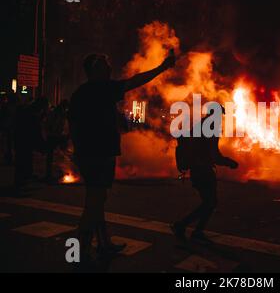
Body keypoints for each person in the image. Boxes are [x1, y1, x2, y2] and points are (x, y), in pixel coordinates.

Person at [68, 51, 175, 263]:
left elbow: (72, 124)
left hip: (88, 154)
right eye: (105, 65)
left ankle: (104, 243)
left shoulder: (81, 92)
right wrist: (162, 68)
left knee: (97, 201)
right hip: (100, 154)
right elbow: (135, 81)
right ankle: (78, 252)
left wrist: (77, 151)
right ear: (96, 69)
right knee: (94, 203)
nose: (110, 68)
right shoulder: (101, 89)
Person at [171, 106, 238, 245]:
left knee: (210, 202)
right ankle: (183, 226)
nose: (222, 119)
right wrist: (229, 162)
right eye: (221, 115)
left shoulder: (200, 125)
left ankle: (194, 229)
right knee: (210, 202)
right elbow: (214, 155)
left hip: (198, 170)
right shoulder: (211, 128)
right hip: (203, 170)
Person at [14, 97, 48, 195]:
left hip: (21, 141)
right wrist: (42, 146)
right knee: (23, 163)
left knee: (24, 162)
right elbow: (34, 132)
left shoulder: (28, 111)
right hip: (24, 142)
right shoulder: (31, 115)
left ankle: (22, 182)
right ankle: (19, 186)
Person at [44, 100, 69, 183]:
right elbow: (57, 125)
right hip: (55, 136)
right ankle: (52, 174)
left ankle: (51, 173)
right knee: (57, 154)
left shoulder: (54, 112)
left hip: (52, 136)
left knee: (51, 156)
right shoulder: (59, 114)